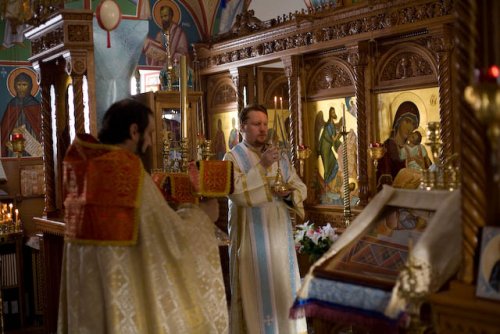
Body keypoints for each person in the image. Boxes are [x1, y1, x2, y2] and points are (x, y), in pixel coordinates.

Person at [58, 99, 228, 333]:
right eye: (148, 133)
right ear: (133, 131)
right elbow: (170, 237)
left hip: (88, 305)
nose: (150, 142)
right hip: (123, 298)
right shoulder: (126, 171)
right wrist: (202, 215)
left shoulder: (84, 170)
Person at [224, 104, 308, 334]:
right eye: (256, 124)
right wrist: (263, 166)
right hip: (252, 237)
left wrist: (289, 194)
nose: (263, 129)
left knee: (283, 290)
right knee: (256, 294)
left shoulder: (278, 155)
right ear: (242, 127)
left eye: (265, 124)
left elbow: (299, 186)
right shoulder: (232, 157)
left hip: (280, 237)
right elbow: (237, 193)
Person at [377, 101, 420, 189]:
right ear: (398, 121)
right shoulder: (388, 146)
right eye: (407, 121)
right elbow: (385, 179)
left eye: (413, 124)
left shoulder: (415, 148)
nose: (409, 127)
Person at [1, 71, 42, 157]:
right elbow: (5, 129)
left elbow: (40, 128)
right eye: (19, 85)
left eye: (24, 85)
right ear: (15, 86)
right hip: (14, 144)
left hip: (32, 143)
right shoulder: (12, 105)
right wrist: (11, 132)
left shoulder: (35, 105)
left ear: (30, 86)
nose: (21, 88)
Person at [318, 106, 343, 186]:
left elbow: (335, 139)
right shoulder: (329, 125)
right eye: (332, 112)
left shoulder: (332, 125)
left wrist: (340, 134)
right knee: (327, 168)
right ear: (330, 114)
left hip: (328, 148)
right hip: (324, 148)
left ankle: (328, 183)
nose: (334, 114)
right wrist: (341, 133)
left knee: (335, 164)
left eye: (334, 112)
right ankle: (325, 186)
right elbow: (334, 139)